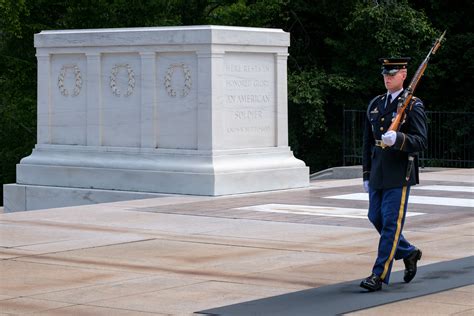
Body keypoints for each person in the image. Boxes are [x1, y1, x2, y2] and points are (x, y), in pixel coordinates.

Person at [360, 57, 428, 291]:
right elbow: (367, 142)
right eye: (385, 74)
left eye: (393, 73)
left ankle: (378, 275)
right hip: (378, 170)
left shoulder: (413, 105)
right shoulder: (376, 104)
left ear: (404, 75)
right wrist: (366, 174)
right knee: (374, 217)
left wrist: (398, 139)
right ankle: (408, 252)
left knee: (390, 223)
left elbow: (421, 141)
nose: (387, 77)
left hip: (400, 172)